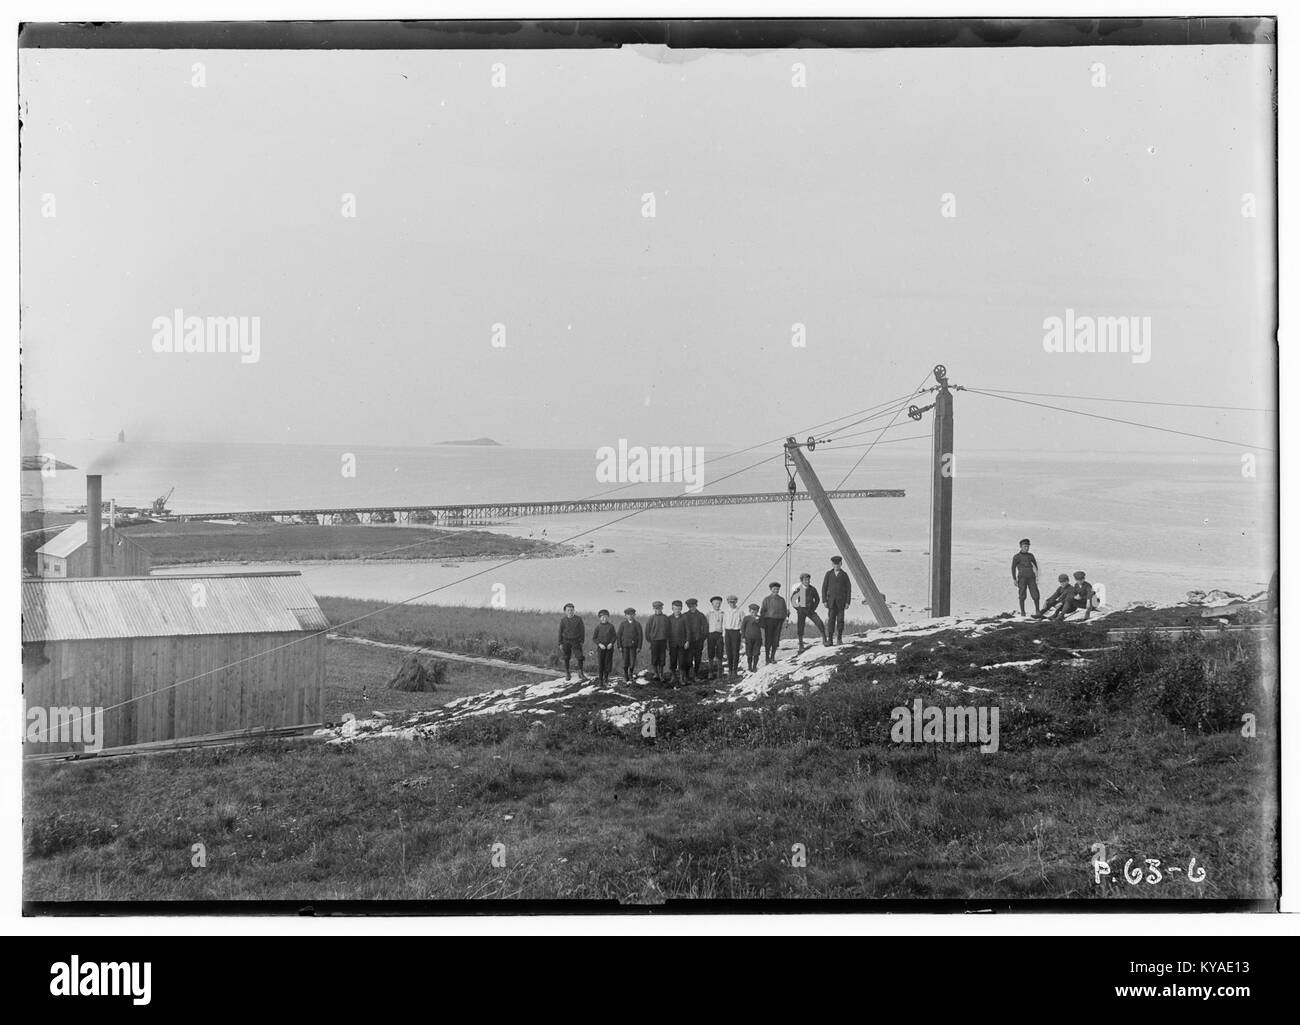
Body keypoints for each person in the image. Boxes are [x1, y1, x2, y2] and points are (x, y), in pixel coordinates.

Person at [792, 572, 827, 652]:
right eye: (805, 580)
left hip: (810, 610)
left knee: (819, 623)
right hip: (801, 611)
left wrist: (813, 608)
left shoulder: (812, 589)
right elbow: (793, 600)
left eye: (808, 580)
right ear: (802, 581)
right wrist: (798, 608)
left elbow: (817, 599)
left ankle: (824, 640)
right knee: (800, 627)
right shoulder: (799, 589)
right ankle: (801, 645)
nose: (807, 581)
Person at [822, 555, 852, 645]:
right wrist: (824, 600)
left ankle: (839, 639)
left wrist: (847, 602)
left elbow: (848, 589)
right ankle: (830, 640)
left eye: (838, 564)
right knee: (831, 621)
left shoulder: (844, 575)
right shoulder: (828, 574)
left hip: (841, 603)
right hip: (831, 603)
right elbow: (824, 588)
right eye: (835, 564)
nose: (836, 566)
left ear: (841, 564)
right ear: (832, 564)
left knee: (840, 621)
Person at [759, 582, 789, 664]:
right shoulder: (766, 599)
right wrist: (762, 622)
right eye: (774, 589)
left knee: (775, 640)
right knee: (768, 640)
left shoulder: (782, 600)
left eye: (777, 589)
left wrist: (786, 617)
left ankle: (772, 657)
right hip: (769, 621)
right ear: (771, 589)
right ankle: (767, 658)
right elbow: (762, 611)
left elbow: (784, 611)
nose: (776, 590)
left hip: (779, 621)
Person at [1012, 538, 1040, 616]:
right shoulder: (1016, 557)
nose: (1026, 548)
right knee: (1022, 595)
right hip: (1022, 578)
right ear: (1021, 546)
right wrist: (1014, 579)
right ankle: (1023, 612)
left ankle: (1037, 610)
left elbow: (1036, 567)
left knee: (1035, 594)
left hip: (1031, 578)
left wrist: (1037, 577)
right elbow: (1013, 568)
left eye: (1028, 546)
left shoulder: (1031, 556)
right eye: (1024, 546)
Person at [683, 598, 709, 682]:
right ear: (688, 607)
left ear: (696, 605)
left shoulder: (701, 615)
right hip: (689, 641)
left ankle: (696, 675)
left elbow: (705, 628)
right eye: (690, 606)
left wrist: (702, 638)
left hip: (698, 641)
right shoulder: (685, 615)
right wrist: (685, 640)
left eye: (693, 606)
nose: (692, 608)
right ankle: (687, 675)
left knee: (698, 659)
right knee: (688, 659)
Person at [645, 600, 671, 683]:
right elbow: (647, 631)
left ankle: (661, 673)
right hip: (654, 641)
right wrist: (650, 640)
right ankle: (655, 673)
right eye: (656, 608)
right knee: (654, 657)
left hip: (663, 641)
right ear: (653, 609)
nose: (658, 610)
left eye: (659, 608)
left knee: (662, 658)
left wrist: (667, 640)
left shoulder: (665, 618)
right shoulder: (651, 618)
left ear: (662, 608)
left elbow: (669, 630)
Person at [616, 607, 643, 682]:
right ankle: (625, 675)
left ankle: (630, 673)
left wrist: (639, 647)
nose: (630, 616)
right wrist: (619, 646)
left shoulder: (637, 624)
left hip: (633, 647)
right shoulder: (623, 624)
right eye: (628, 615)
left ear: (634, 615)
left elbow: (640, 636)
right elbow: (619, 635)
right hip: (624, 646)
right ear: (625, 615)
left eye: (631, 614)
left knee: (632, 662)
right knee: (625, 662)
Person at [667, 599, 689, 686]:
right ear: (672, 609)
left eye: (679, 609)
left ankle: (681, 678)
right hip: (672, 644)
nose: (677, 610)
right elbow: (667, 632)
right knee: (673, 661)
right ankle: (673, 677)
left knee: (682, 661)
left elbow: (688, 630)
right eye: (675, 608)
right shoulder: (669, 618)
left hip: (682, 644)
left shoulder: (684, 618)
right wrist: (667, 643)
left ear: (681, 609)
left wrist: (687, 641)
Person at [592, 610, 617, 685]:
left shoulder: (611, 626)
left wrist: (611, 643)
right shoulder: (598, 627)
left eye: (605, 617)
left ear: (608, 617)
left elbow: (614, 636)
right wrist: (599, 644)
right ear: (600, 618)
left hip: (609, 649)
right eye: (602, 617)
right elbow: (594, 638)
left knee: (607, 663)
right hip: (601, 649)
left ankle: (606, 678)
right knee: (601, 663)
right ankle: (600, 680)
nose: (604, 618)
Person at [722, 594, 744, 679]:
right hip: (728, 632)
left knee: (735, 652)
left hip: (736, 632)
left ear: (736, 602)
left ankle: (735, 671)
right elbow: (724, 623)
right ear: (728, 602)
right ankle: (730, 670)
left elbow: (743, 622)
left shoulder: (740, 611)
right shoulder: (726, 611)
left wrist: (740, 632)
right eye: (730, 602)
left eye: (734, 602)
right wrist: (724, 635)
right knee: (728, 652)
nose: (732, 603)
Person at [706, 596, 725, 681]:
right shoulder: (709, 614)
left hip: (720, 635)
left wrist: (723, 635)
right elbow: (706, 625)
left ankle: (719, 672)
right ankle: (710, 672)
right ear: (712, 604)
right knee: (710, 653)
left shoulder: (722, 613)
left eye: (719, 603)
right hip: (711, 635)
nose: (717, 605)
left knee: (720, 653)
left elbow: (724, 625)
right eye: (715, 603)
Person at [741, 603, 764, 672]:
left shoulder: (759, 618)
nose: (754, 612)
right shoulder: (746, 618)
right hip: (748, 638)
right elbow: (743, 628)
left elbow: (763, 626)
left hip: (757, 638)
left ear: (757, 611)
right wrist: (743, 637)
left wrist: (758, 621)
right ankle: (749, 666)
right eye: (752, 610)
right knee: (749, 653)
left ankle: (754, 666)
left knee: (756, 653)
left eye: (756, 610)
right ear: (749, 610)